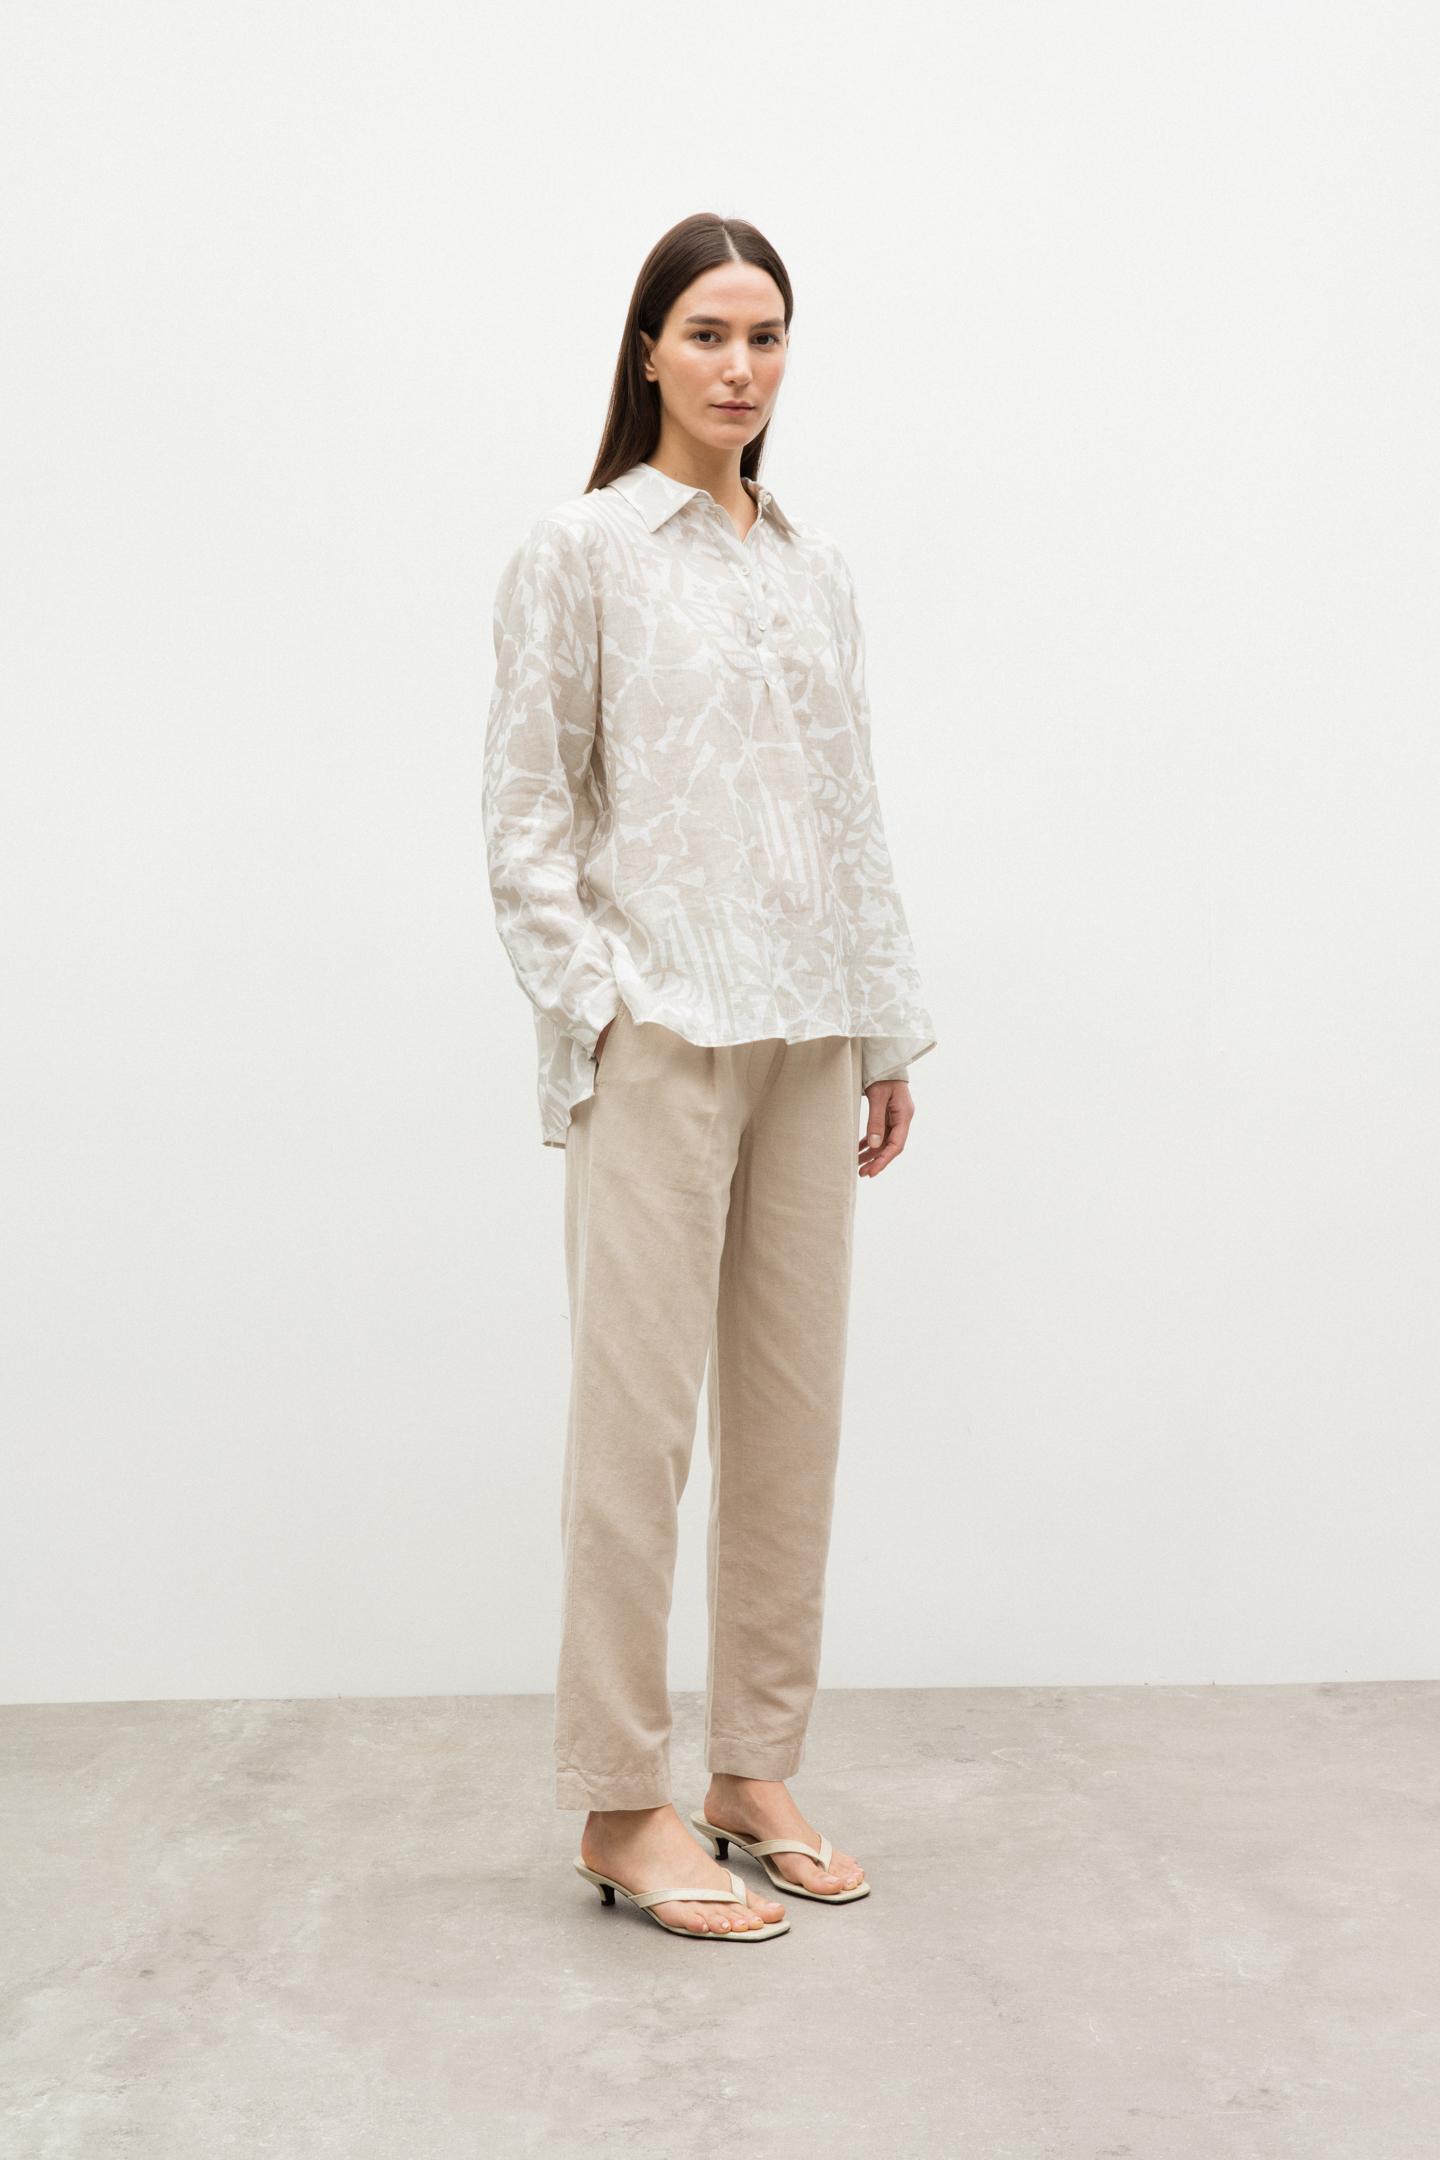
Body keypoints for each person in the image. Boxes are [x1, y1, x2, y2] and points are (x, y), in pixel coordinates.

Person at [484, 213, 935, 1941]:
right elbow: (525, 813)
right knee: (637, 1435)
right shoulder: (581, 550)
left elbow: (849, 807)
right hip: (662, 1036)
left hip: (811, 1033)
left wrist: (882, 1026)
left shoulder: (814, 568)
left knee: (793, 1424)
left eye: (765, 337)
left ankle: (754, 1770)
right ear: (648, 352)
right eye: (707, 335)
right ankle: (620, 1799)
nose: (740, 368)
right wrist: (598, 1011)